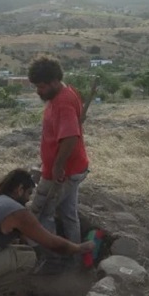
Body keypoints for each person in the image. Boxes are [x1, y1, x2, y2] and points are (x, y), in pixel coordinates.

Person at [27, 55, 90, 274]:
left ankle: (53, 261)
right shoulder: (63, 94)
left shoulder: (62, 102)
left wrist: (58, 166)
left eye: (41, 86)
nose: (38, 91)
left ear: (54, 81)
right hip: (73, 167)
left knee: (42, 215)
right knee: (68, 214)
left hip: (64, 171)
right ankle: (73, 261)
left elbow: (71, 136)